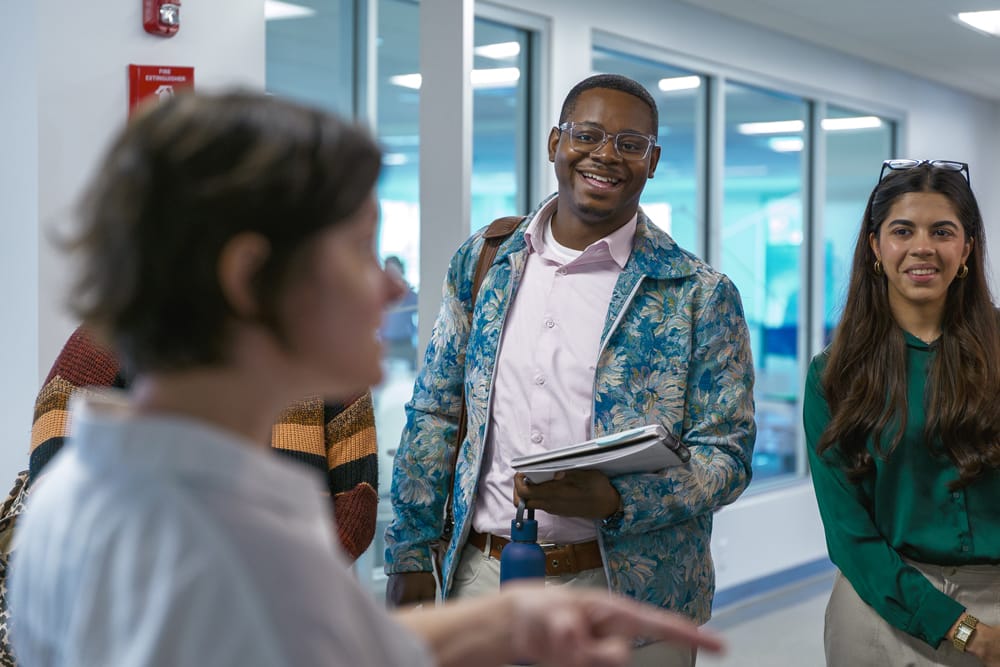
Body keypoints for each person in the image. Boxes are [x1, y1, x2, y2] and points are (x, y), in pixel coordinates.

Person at [9, 91, 724, 667]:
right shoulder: (216, 547)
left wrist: (502, 619)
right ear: (251, 277)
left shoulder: (92, 489)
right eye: (359, 251)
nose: (392, 289)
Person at [384, 74, 755, 666]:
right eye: (588, 135)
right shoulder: (487, 261)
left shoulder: (696, 293)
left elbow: (726, 458)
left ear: (653, 161)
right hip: (482, 578)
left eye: (631, 144)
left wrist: (616, 500)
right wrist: (408, 553)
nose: (605, 155)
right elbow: (436, 410)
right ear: (555, 142)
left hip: (632, 598)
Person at [803, 159, 1000, 666]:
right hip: (881, 608)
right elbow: (849, 533)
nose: (922, 247)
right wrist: (961, 631)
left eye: (942, 231)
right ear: (875, 247)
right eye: (902, 230)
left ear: (967, 248)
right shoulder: (834, 374)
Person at [29, 325, 380, 560]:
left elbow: (358, 499)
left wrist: (303, 584)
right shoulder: (119, 333)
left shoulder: (325, 341)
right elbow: (52, 470)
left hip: (298, 596)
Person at [378, 256, 418, 370]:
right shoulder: (380, 295)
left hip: (406, 345)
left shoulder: (411, 296)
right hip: (385, 345)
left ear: (401, 270)